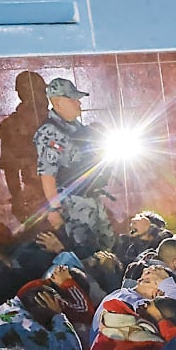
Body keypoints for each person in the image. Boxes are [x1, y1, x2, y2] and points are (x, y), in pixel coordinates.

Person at [34, 77, 115, 256]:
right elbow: (47, 174)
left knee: (106, 250)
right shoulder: (50, 132)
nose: (78, 103)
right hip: (73, 205)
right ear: (58, 103)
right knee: (84, 254)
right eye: (72, 99)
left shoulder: (76, 127)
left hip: (92, 198)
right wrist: (54, 209)